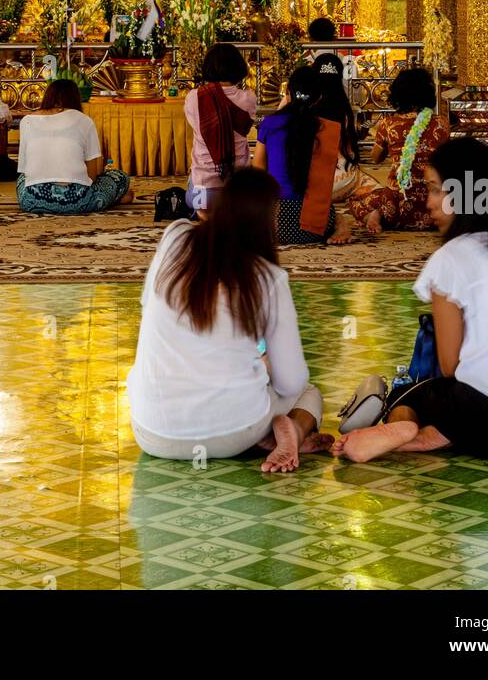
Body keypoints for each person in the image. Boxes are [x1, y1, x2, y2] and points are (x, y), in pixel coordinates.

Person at [332, 138, 488, 463]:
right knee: (483, 395)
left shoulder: (451, 258)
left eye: (437, 190)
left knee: (410, 394)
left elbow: (451, 366)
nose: (429, 204)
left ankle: (412, 435)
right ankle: (439, 434)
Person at [127, 168, 331, 472]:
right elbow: (291, 381)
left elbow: (148, 304)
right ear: (265, 220)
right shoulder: (269, 278)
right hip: (235, 433)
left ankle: (265, 429)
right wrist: (264, 367)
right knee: (309, 392)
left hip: (153, 432)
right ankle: (294, 432)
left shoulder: (174, 238)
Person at [253, 65, 357, 246]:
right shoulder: (329, 128)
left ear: (288, 92)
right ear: (319, 98)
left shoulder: (270, 123)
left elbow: (258, 170)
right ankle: (340, 226)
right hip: (316, 227)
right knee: (338, 215)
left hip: (275, 227)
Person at [350, 65, 449, 233]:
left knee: (356, 200)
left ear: (397, 95)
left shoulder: (389, 124)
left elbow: (376, 158)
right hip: (432, 206)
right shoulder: (441, 124)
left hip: (395, 207)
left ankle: (375, 214)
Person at [16, 79, 133, 214]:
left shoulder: (26, 121)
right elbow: (92, 175)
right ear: (75, 98)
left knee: (22, 179)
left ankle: (109, 199)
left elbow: (24, 169)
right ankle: (112, 199)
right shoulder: (84, 121)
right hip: (78, 201)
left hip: (32, 200)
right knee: (120, 176)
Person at [183, 42, 257, 213]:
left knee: (193, 177)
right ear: (239, 67)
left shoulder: (195, 98)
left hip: (203, 190)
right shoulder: (248, 98)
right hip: (239, 191)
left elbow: (197, 127)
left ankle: (202, 213)